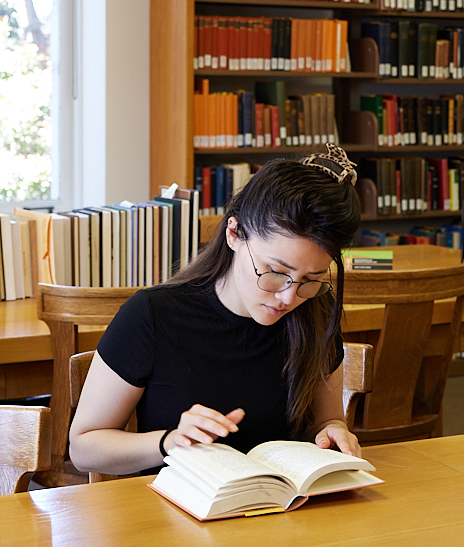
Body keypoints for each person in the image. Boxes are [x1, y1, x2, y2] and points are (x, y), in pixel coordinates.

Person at [69, 146, 364, 475]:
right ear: (235, 233)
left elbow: (325, 421)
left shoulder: (316, 311)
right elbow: (84, 447)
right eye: (275, 271)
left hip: (283, 512)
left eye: (310, 280)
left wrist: (333, 431)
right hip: (176, 512)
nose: (288, 296)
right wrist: (170, 441)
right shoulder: (153, 316)